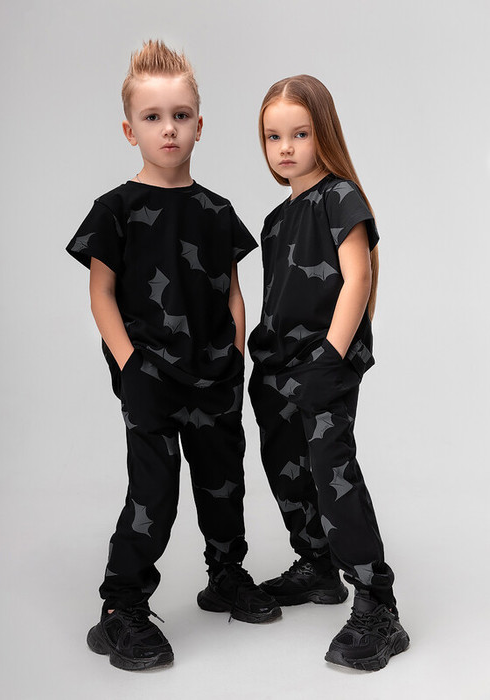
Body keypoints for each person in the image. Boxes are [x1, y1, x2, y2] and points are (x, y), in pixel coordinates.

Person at [66, 40, 280, 672]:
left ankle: (226, 576)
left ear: (199, 125)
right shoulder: (116, 209)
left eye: (181, 115)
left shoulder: (217, 211)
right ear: (129, 129)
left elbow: (233, 292)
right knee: (153, 491)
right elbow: (100, 292)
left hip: (214, 374)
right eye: (154, 117)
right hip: (150, 376)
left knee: (224, 481)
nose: (169, 128)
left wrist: (235, 354)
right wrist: (129, 363)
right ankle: (121, 606)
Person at [247, 74, 409, 671]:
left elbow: (357, 278)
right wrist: (264, 363)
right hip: (276, 368)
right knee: (284, 467)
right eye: (273, 136)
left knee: (331, 471)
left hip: (325, 364)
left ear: (324, 134)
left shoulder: (341, 198)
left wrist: (331, 359)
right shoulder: (274, 220)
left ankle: (377, 603)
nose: (285, 147)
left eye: (300, 133)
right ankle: (316, 566)